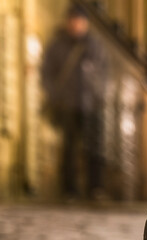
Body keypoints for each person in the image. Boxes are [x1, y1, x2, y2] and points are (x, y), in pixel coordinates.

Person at [41, 4, 108, 199]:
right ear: (68, 22)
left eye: (79, 21)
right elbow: (47, 73)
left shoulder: (95, 45)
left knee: (95, 147)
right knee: (69, 147)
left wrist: (99, 93)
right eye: (73, 20)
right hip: (67, 103)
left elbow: (104, 73)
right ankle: (69, 189)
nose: (76, 24)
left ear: (85, 23)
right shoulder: (57, 45)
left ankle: (96, 188)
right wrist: (54, 94)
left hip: (91, 103)